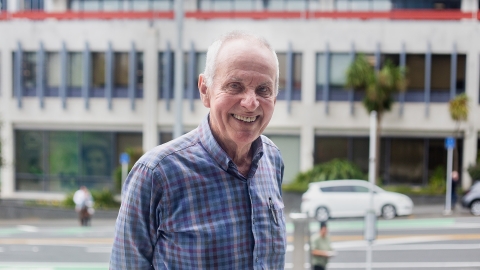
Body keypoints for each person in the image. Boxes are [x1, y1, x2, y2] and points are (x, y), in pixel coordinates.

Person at [110, 31, 286, 269]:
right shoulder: (156, 173)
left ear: (274, 98)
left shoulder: (271, 159)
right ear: (205, 90)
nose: (250, 103)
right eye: (235, 86)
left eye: (263, 90)